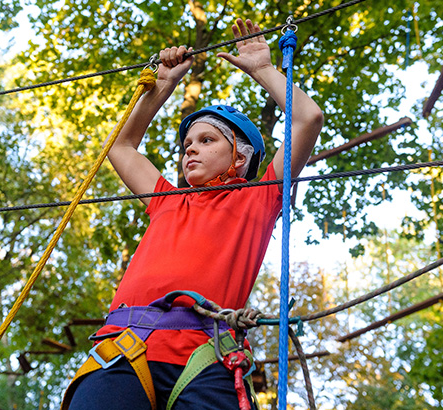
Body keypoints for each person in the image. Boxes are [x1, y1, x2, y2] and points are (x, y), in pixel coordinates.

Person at [63, 18, 323, 410]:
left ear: (240, 156)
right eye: (187, 143)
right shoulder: (168, 199)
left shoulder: (259, 197)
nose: (190, 150)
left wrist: (263, 70)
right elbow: (120, 148)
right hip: (125, 348)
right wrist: (163, 84)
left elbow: (308, 119)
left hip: (206, 355)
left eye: (206, 140)